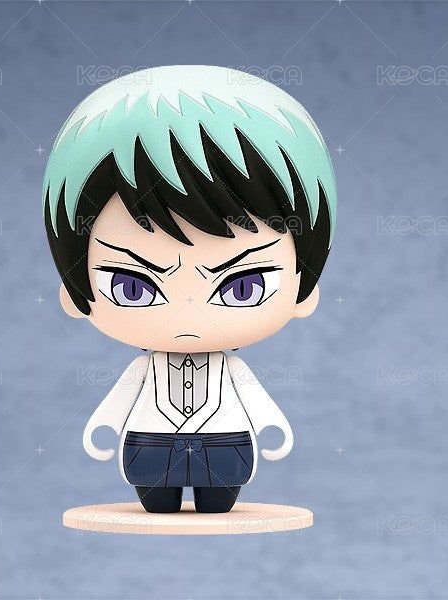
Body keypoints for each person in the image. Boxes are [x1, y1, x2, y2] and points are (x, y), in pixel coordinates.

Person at [43, 65, 337, 513]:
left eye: (244, 286)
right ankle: (158, 498)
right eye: (131, 286)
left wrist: (272, 426)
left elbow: (256, 403)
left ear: (304, 287)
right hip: (150, 444)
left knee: (219, 495)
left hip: (224, 443)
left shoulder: (231, 372)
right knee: (155, 494)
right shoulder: (144, 372)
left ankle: (216, 498)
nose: (187, 312)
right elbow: (119, 401)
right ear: (73, 288)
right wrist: (103, 426)